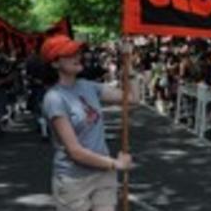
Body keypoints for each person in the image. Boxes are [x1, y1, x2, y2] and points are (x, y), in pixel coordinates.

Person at [40, 35, 138, 211]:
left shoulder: (88, 86)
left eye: (77, 52)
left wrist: (128, 62)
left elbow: (132, 98)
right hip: (74, 181)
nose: (78, 56)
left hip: (103, 175)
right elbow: (75, 152)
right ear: (55, 63)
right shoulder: (54, 98)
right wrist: (115, 164)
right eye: (69, 54)